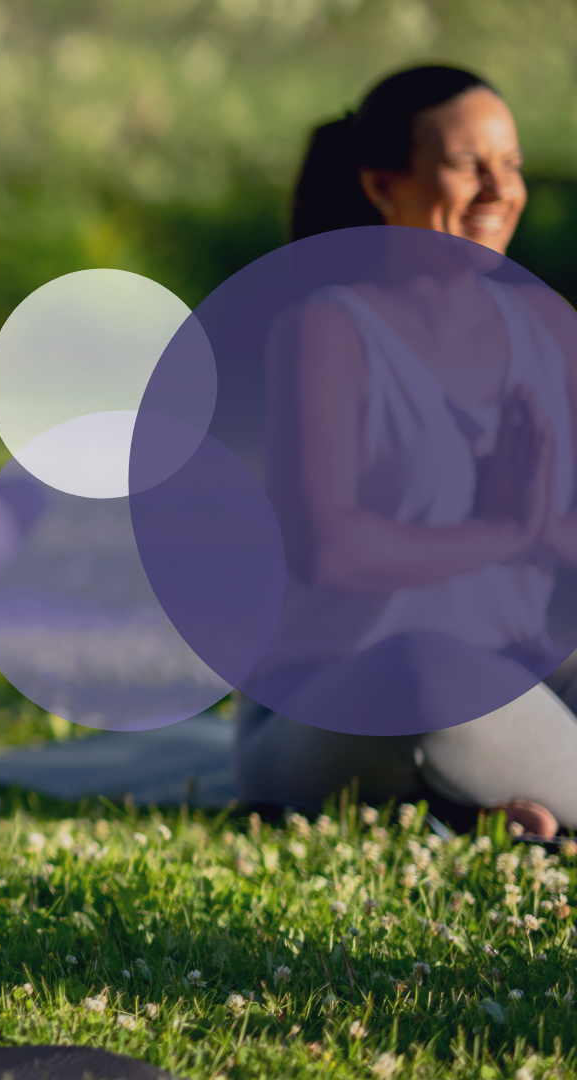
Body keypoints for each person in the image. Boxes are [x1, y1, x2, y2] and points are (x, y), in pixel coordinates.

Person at [235, 65, 577, 835]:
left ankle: (496, 798)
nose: (499, 190)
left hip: (518, 670)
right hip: (335, 696)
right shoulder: (326, 330)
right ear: (382, 186)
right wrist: (500, 533)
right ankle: (501, 791)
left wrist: (542, 529)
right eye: (467, 165)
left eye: (511, 165)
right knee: (428, 675)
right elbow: (329, 550)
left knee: (489, 685)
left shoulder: (550, 330)